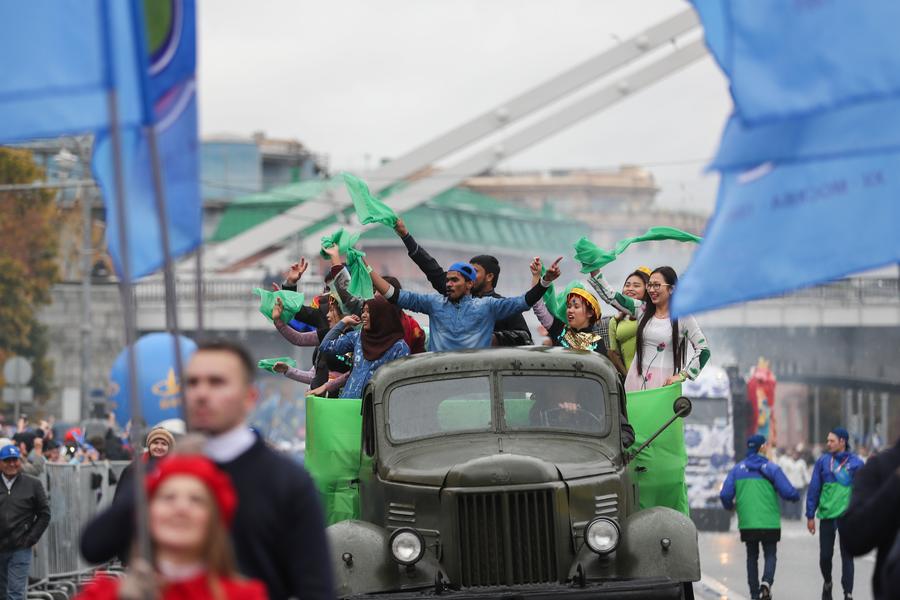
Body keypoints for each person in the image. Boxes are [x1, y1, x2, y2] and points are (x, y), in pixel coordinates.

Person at [80, 340, 334, 600]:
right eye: (192, 383)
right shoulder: (166, 471)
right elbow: (94, 545)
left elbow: (316, 587)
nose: (201, 393)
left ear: (249, 397)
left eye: (216, 382)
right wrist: (161, 476)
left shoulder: (287, 481)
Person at [75, 455, 267, 600]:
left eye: (196, 500)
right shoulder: (103, 595)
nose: (181, 508)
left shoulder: (244, 596)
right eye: (168, 497)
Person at [393, 217, 533, 346]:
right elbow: (431, 268)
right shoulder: (454, 295)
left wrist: (494, 338)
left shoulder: (502, 306)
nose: (468, 275)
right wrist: (406, 237)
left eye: (475, 271)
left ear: (489, 277)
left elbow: (526, 337)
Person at [371, 258, 560, 352]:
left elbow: (524, 301)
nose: (449, 284)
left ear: (469, 284)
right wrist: (368, 269)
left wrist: (544, 281)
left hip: (477, 378)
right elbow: (394, 295)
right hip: (439, 377)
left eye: (455, 280)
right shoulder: (433, 303)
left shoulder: (487, 306)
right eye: (447, 280)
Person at [588, 266, 710, 392]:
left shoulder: (683, 317)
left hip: (664, 386)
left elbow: (704, 350)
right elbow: (612, 296)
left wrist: (683, 375)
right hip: (634, 383)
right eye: (649, 285)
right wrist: (594, 270)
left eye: (656, 285)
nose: (651, 290)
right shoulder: (642, 309)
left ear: (672, 289)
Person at [720, 435, 799, 600]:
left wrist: (731, 507)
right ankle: (766, 583)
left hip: (747, 523)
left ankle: (754, 594)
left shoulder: (737, 469)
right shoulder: (771, 468)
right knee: (770, 554)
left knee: (752, 557)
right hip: (769, 522)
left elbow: (725, 494)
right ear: (762, 447)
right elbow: (788, 492)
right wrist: (794, 497)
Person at [321, 245, 427, 354]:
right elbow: (347, 295)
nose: (374, 296)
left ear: (394, 298)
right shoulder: (362, 328)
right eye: (374, 291)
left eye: (380, 292)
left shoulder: (405, 338)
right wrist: (335, 257)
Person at [807, 428, 865, 600]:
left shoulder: (856, 463)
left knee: (848, 556)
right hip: (827, 516)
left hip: (848, 518)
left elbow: (863, 490)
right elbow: (814, 489)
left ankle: (848, 593)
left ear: (842, 441)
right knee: (825, 557)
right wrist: (810, 515)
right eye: (828, 440)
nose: (828, 444)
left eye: (832, 441)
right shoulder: (823, 462)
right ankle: (828, 582)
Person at [842, 435, 900, 600]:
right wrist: (895, 483)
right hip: (832, 515)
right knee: (827, 558)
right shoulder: (883, 466)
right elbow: (854, 539)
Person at [317, 295, 410, 398]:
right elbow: (325, 346)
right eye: (363, 311)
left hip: (374, 410)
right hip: (347, 405)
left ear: (382, 316)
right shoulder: (358, 337)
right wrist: (344, 322)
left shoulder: (399, 347)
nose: (364, 315)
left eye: (369, 312)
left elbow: (400, 385)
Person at [270, 294, 352, 397]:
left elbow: (354, 373)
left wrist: (330, 384)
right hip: (321, 401)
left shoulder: (357, 338)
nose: (327, 315)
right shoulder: (327, 334)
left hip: (345, 401)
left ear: (344, 314)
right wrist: (278, 321)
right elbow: (298, 339)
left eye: (331, 311)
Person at [0, 444, 51, 600]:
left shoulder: (33, 484)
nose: (12, 464)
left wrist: (31, 538)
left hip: (20, 547)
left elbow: (44, 513)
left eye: (15, 460)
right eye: (7, 460)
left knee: (15, 593)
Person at [115, 426, 176, 505]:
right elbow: (119, 499)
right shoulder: (133, 469)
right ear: (149, 445)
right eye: (155, 443)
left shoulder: (175, 471)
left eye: (164, 444)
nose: (159, 447)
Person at [607, 268, 651, 373]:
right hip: (630, 380)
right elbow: (614, 355)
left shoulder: (654, 314)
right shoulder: (615, 321)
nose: (630, 289)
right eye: (627, 285)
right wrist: (627, 378)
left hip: (654, 377)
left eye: (636, 286)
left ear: (648, 290)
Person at [776, 447, 809, 520]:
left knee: (799, 501)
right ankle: (789, 515)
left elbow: (805, 473)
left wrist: (808, 482)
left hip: (800, 485)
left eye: (796, 454)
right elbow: (783, 473)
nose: (795, 455)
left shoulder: (801, 463)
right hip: (790, 485)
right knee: (789, 502)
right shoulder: (787, 462)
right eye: (793, 454)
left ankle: (798, 515)